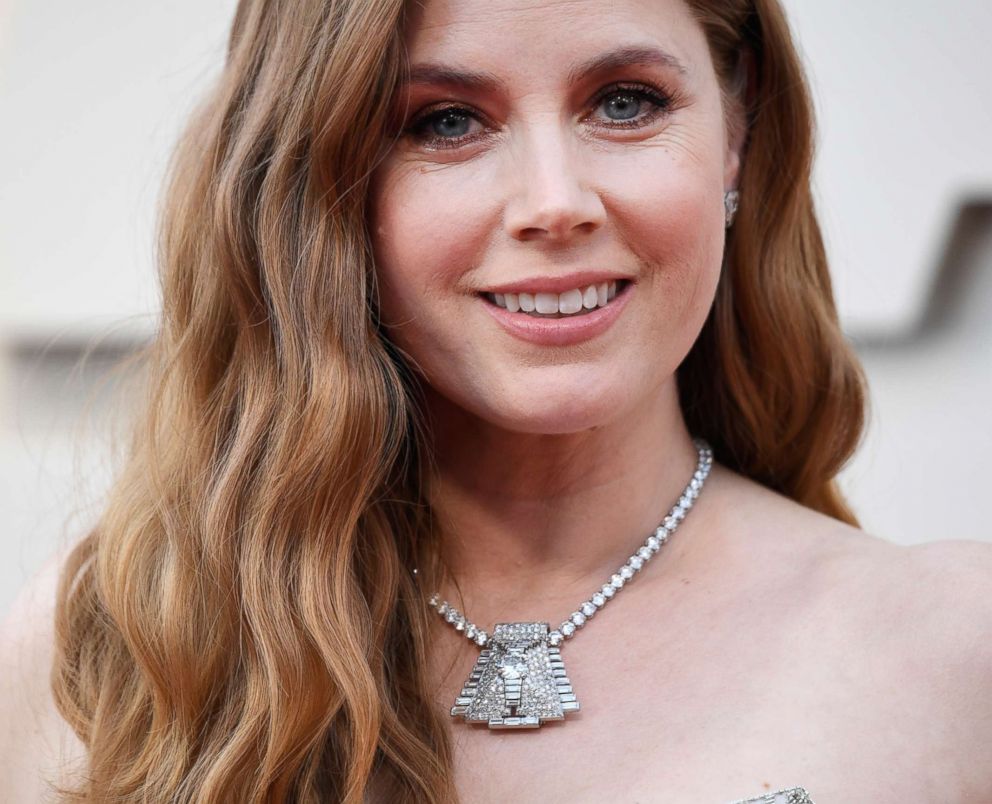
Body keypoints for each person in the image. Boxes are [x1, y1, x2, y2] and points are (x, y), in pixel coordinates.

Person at [2, 0, 990, 801]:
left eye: (625, 102)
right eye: (445, 121)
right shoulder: (98, 649)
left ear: (734, 134)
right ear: (318, 189)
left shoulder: (955, 648)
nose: (554, 202)